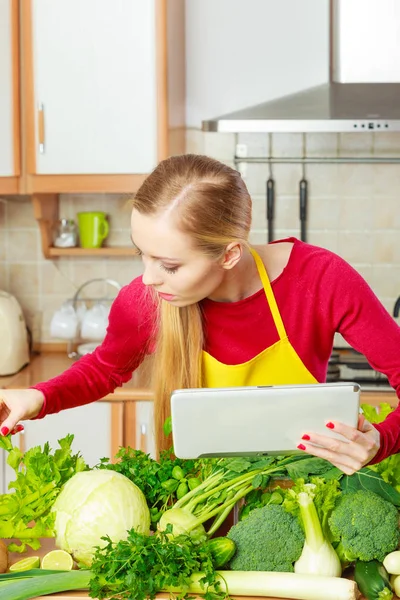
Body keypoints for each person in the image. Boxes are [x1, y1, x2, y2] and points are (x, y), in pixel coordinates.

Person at [0, 154, 399, 475]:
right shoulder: (145, 299)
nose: (148, 279)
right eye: (143, 254)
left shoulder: (320, 280)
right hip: (199, 503)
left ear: (229, 255)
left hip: (304, 499)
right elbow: (105, 369)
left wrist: (380, 441)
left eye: (169, 265)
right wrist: (39, 396)